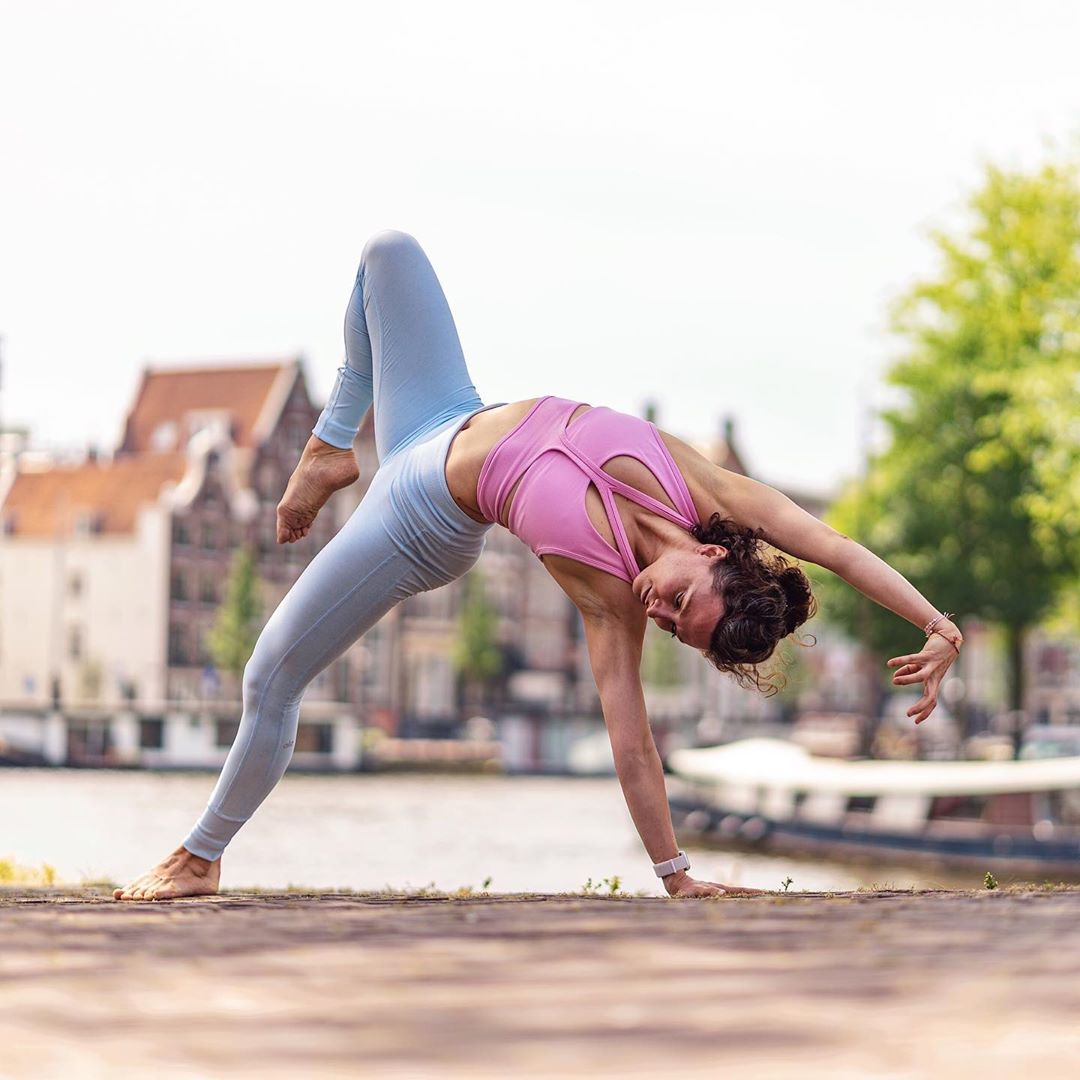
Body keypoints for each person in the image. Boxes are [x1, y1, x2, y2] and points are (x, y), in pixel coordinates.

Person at [114, 231, 963, 902]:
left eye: (673, 629)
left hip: (418, 518)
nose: (658, 613)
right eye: (680, 604)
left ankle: (201, 855)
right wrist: (935, 623)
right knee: (388, 254)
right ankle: (328, 450)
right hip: (439, 414)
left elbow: (632, 743)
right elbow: (841, 552)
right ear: (712, 554)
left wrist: (675, 874)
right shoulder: (708, 485)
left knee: (269, 676)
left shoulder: (607, 602)